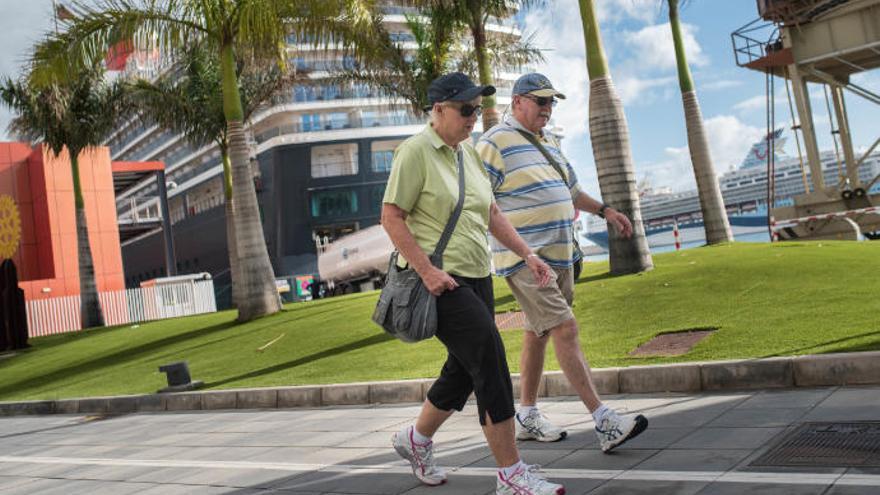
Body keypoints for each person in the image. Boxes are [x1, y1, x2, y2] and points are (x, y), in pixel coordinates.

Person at [382, 72, 565, 495]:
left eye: (476, 109)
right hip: (440, 280)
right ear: (439, 110)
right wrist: (427, 271)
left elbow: (493, 214)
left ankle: (416, 439)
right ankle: (511, 475)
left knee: (464, 369)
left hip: (477, 274)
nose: (472, 117)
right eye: (465, 110)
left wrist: (527, 253)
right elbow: (391, 217)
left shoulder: (468, 155)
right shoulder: (415, 152)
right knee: (490, 358)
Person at [476, 73, 648, 453]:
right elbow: (481, 204)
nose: (548, 110)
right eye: (541, 102)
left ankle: (527, 415)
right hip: (526, 259)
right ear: (518, 101)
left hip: (559, 256)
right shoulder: (493, 143)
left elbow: (569, 192)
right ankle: (604, 421)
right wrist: (523, 252)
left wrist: (605, 211)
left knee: (537, 333)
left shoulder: (549, 141)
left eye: (552, 103)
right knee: (565, 329)